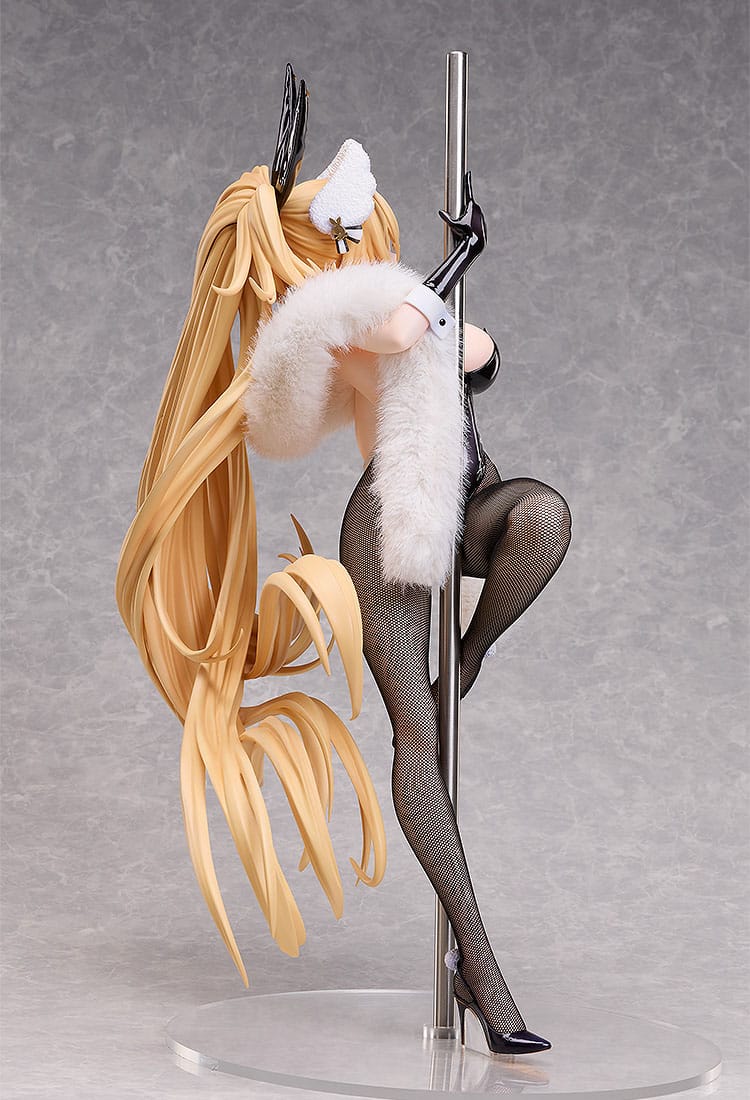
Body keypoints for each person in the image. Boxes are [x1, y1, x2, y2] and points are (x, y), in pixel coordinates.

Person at [117, 63, 572, 1057]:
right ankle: (480, 965)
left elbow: (474, 350)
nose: (354, 240)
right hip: (389, 520)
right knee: (417, 738)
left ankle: (469, 657)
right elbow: (404, 329)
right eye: (336, 228)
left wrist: (456, 292)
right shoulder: (334, 313)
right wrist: (461, 258)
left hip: (466, 498)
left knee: (545, 518)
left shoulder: (410, 294)